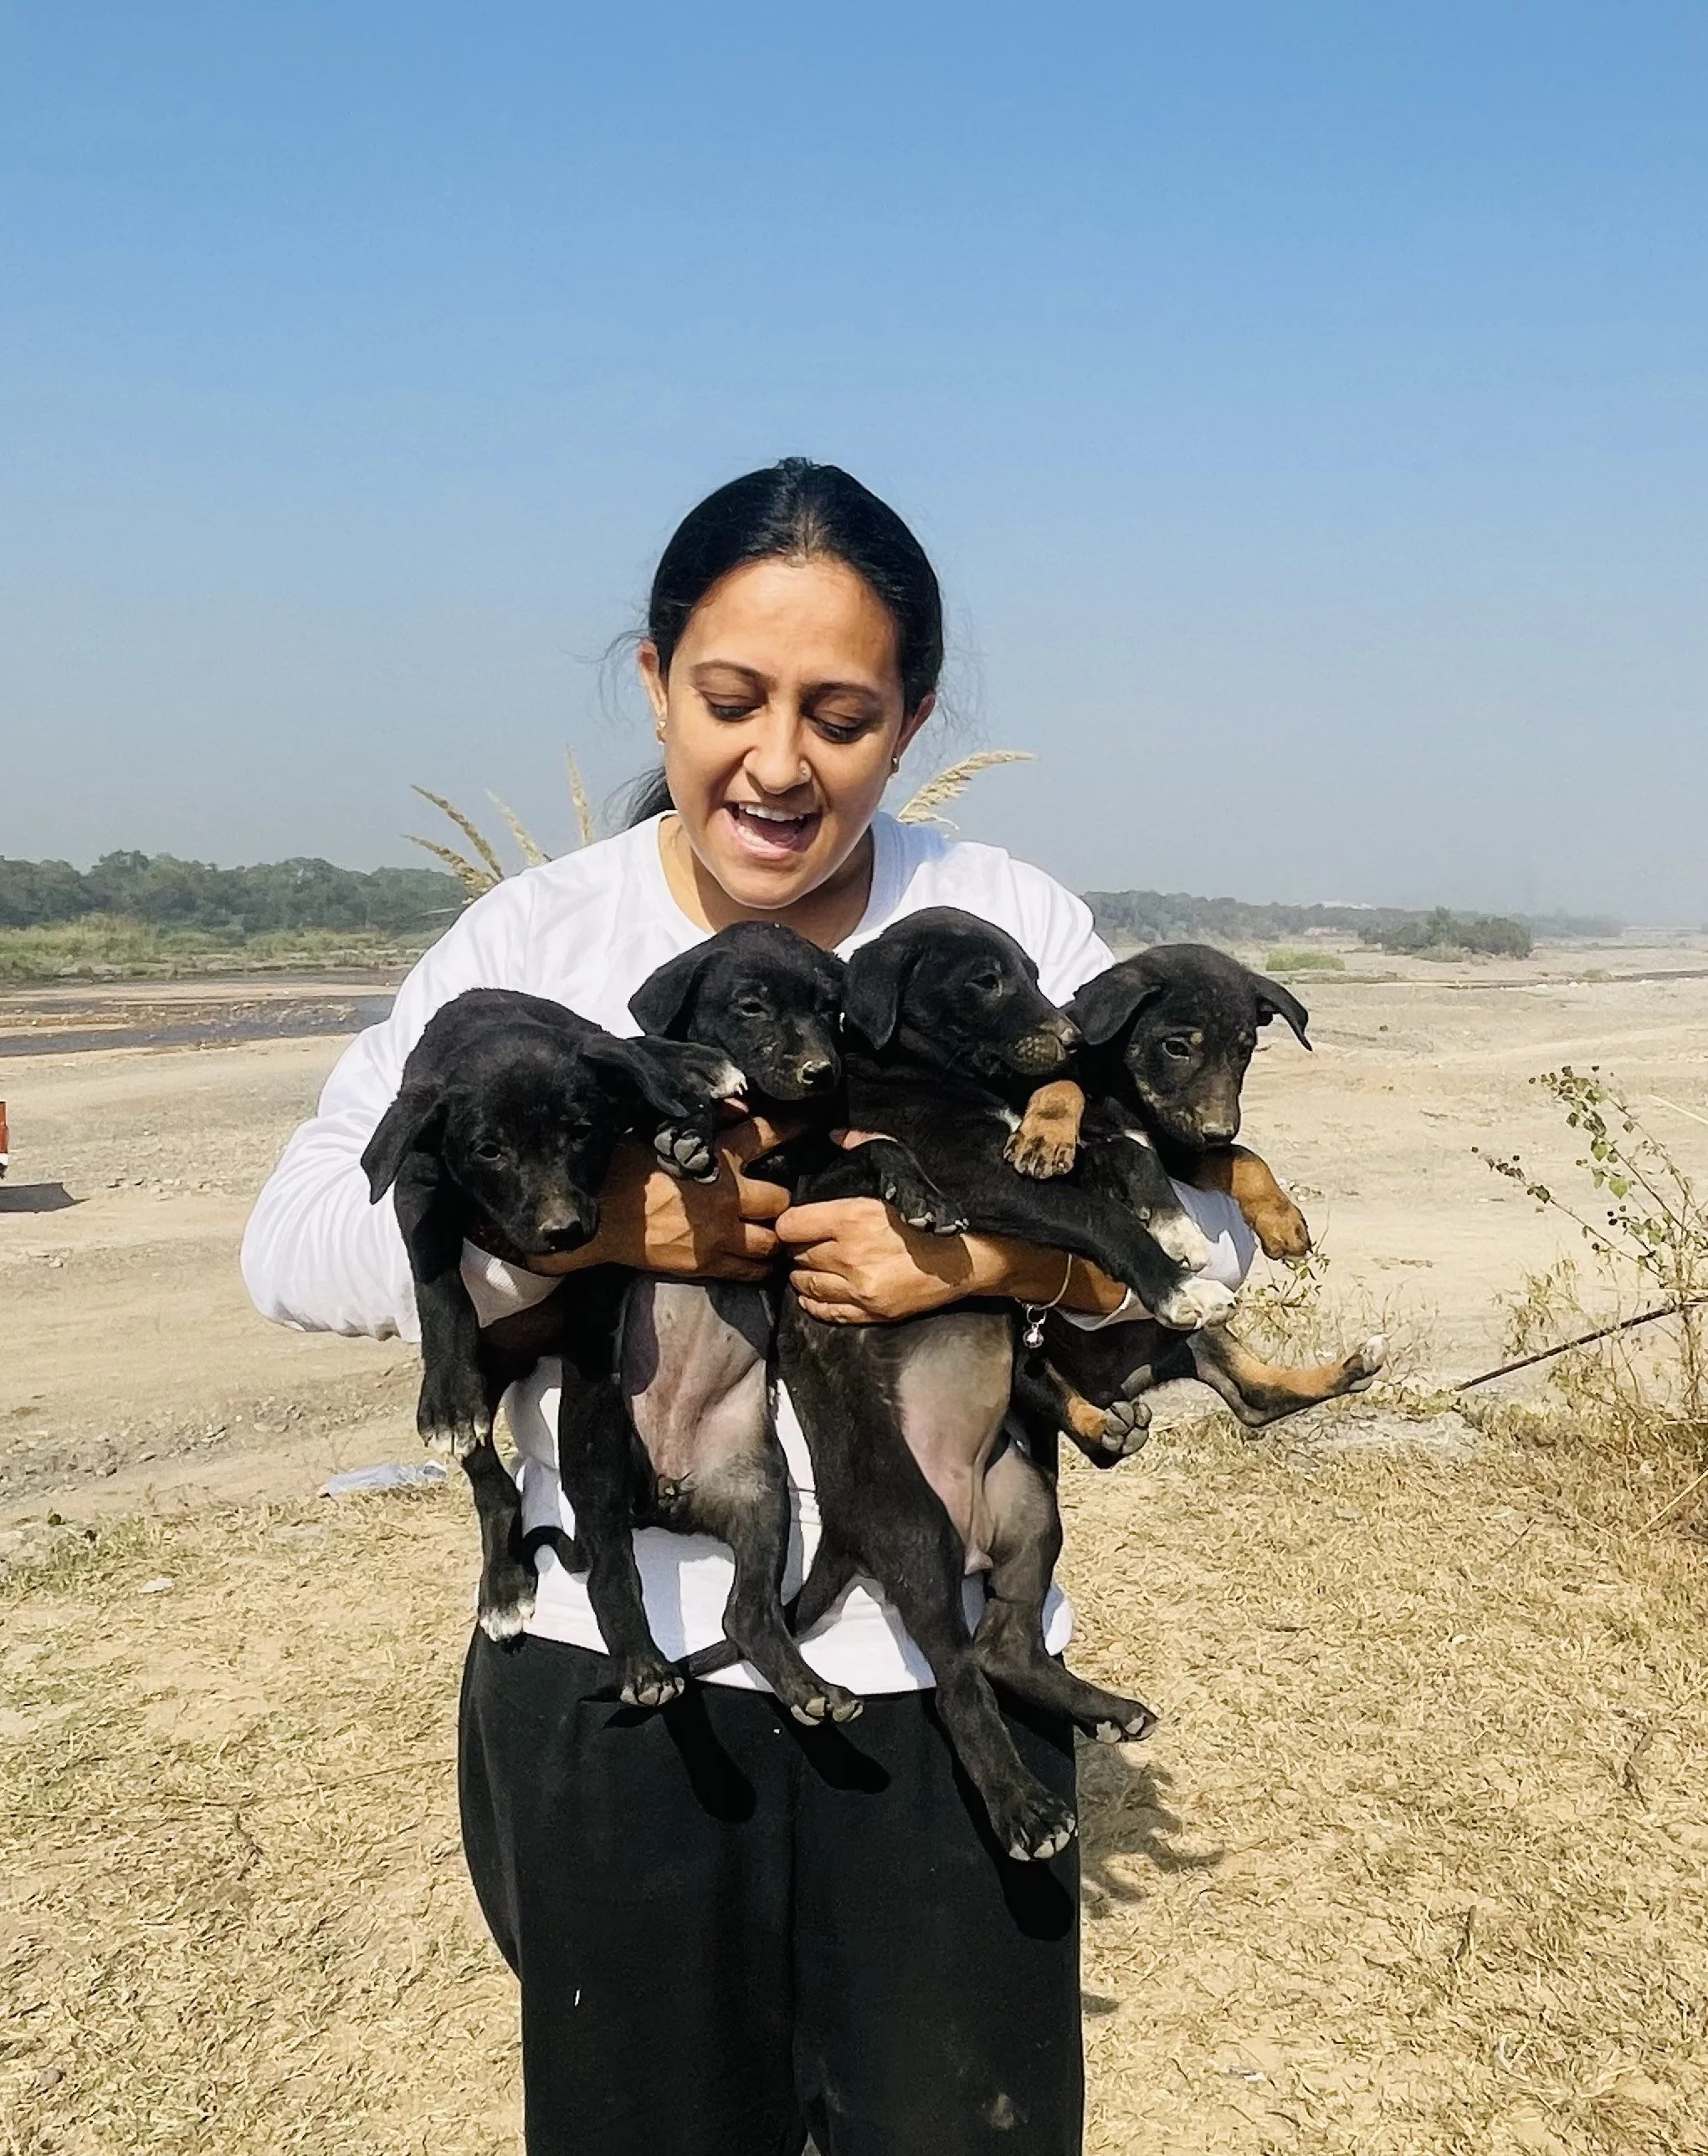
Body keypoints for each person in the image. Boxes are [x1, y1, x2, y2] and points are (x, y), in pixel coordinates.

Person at [243, 459, 1254, 2156]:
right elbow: (293, 1242)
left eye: (843, 716)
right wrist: (583, 1234)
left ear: (912, 720)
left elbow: (1207, 1235)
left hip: (946, 1677)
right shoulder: (543, 942)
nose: (779, 762)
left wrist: (989, 1262)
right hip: (611, 1678)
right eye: (732, 699)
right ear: (658, 684)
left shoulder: (1005, 926)